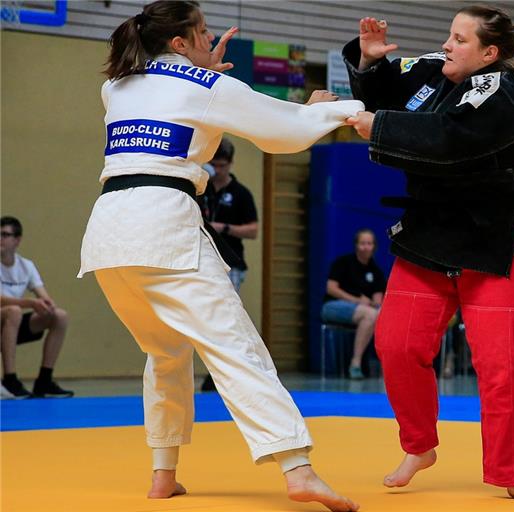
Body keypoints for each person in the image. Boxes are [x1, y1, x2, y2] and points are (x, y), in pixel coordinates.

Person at [78, 2, 361, 510]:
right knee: (236, 348)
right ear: (181, 42)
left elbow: (170, 92)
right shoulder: (207, 86)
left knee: (165, 353)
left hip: (107, 234)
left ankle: (163, 472)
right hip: (162, 224)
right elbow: (286, 132)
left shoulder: (116, 86)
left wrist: (199, 69)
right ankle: (298, 469)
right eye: (204, 32)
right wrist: (333, 109)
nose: (213, 39)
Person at [344, 6, 514, 502]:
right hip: (429, 236)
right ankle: (419, 444)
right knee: (395, 344)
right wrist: (371, 65)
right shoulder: (439, 67)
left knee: (500, 365)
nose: (448, 44)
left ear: (489, 53)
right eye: (450, 35)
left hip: (493, 241)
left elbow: (450, 139)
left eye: (460, 38)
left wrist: (381, 127)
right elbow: (389, 96)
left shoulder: (496, 89)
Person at [198, 138, 257, 392]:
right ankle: (217, 370)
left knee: (225, 317)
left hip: (231, 262)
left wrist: (226, 228)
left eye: (221, 165)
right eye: (213, 164)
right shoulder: (201, 189)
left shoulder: (241, 193)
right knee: (207, 318)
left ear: (230, 164)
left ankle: (225, 374)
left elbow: (253, 230)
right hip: (204, 261)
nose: (217, 170)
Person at [1, 216, 74, 399]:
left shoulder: (26, 266)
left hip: (12, 325)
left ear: (17, 240)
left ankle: (44, 380)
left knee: (60, 316)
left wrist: (46, 304)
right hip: (7, 318)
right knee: (14, 311)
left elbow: (43, 294)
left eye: (5, 234)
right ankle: (10, 379)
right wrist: (30, 303)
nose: (0, 239)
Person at [322, 229, 386, 379]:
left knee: (379, 314)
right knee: (370, 314)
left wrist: (375, 305)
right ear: (356, 245)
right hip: (333, 306)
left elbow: (377, 301)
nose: (366, 247)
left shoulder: (376, 271)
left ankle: (386, 366)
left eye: (369, 243)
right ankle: (355, 363)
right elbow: (331, 288)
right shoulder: (343, 263)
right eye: (362, 243)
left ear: (374, 246)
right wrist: (356, 300)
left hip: (364, 311)